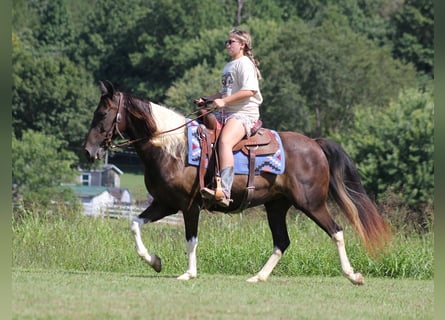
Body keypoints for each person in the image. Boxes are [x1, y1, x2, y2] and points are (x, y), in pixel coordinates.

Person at [196, 28, 263, 207]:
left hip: (244, 112)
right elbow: (225, 91)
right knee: (200, 131)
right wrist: (208, 99)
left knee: (225, 141)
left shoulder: (245, 63)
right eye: (227, 42)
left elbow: (249, 91)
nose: (227, 45)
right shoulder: (229, 65)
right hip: (227, 111)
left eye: (231, 42)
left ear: (242, 44)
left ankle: (224, 191)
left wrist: (224, 102)